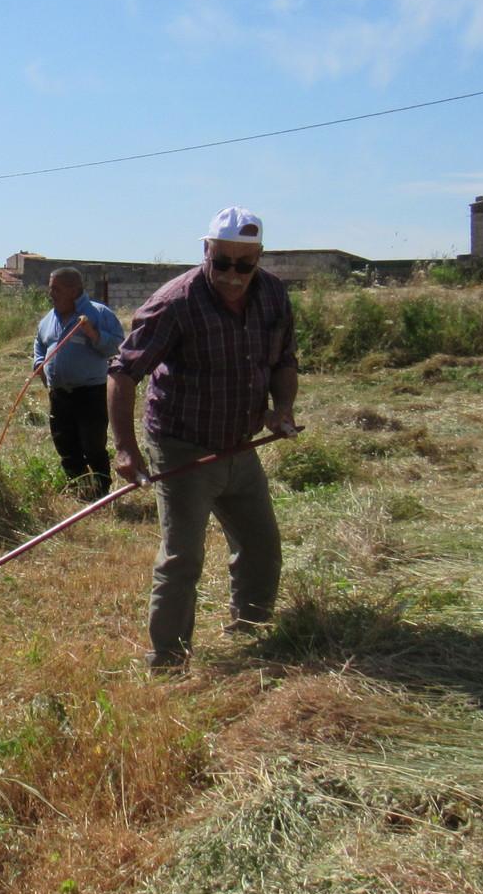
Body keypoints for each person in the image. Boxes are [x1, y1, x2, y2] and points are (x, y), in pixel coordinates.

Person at [107, 206, 298, 670]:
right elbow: (123, 372)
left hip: (239, 442)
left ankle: (250, 629)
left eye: (244, 265)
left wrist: (282, 410)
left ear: (259, 257)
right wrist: (126, 448)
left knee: (261, 546)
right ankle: (168, 659)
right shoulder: (176, 303)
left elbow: (283, 361)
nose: (233, 275)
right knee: (183, 557)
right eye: (222, 262)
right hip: (183, 446)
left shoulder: (273, 294)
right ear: (206, 252)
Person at [34, 267, 124, 496]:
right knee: (65, 444)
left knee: (92, 445)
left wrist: (93, 334)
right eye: (50, 288)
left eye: (56, 289)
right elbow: (40, 344)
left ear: (74, 291)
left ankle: (101, 491)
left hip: (90, 393)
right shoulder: (48, 320)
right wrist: (38, 364)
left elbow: (118, 346)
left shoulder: (99, 314)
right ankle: (80, 490)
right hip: (59, 394)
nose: (51, 294)